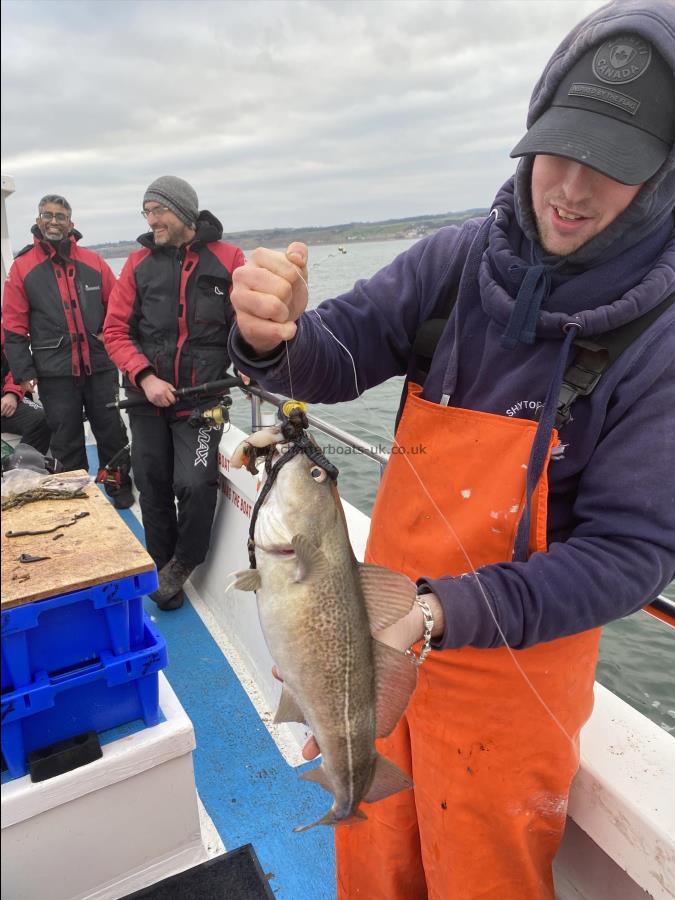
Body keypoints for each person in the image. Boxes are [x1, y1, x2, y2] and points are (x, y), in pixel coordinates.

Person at [228, 1, 675, 897]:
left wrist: (438, 613)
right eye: (559, 148)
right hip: (375, 644)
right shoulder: (456, 261)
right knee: (371, 855)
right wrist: (274, 340)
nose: (571, 188)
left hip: (510, 684)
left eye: (612, 167)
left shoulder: (659, 338)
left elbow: (630, 556)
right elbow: (337, 349)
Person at [103, 176, 245, 611]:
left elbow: (245, 328)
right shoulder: (137, 264)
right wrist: (145, 377)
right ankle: (159, 563)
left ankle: (184, 562)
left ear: (183, 210)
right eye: (146, 212)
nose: (151, 219)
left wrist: (253, 362)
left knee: (196, 484)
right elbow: (113, 332)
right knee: (152, 481)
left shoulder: (229, 259)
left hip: (201, 402)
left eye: (158, 210)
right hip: (146, 399)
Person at [2, 194, 133, 508]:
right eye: (47, 215)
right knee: (66, 438)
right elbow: (13, 326)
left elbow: (117, 307)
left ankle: (117, 486)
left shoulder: (93, 262)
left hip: (100, 368)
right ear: (38, 221)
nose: (54, 221)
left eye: (61, 216)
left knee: (112, 434)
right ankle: (79, 496)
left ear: (71, 224)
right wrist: (23, 373)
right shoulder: (22, 268)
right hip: (55, 372)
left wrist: (111, 338)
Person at [1, 346, 51, 456]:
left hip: (5, 398)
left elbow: (14, 362)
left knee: (45, 418)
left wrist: (12, 393)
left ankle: (22, 469)